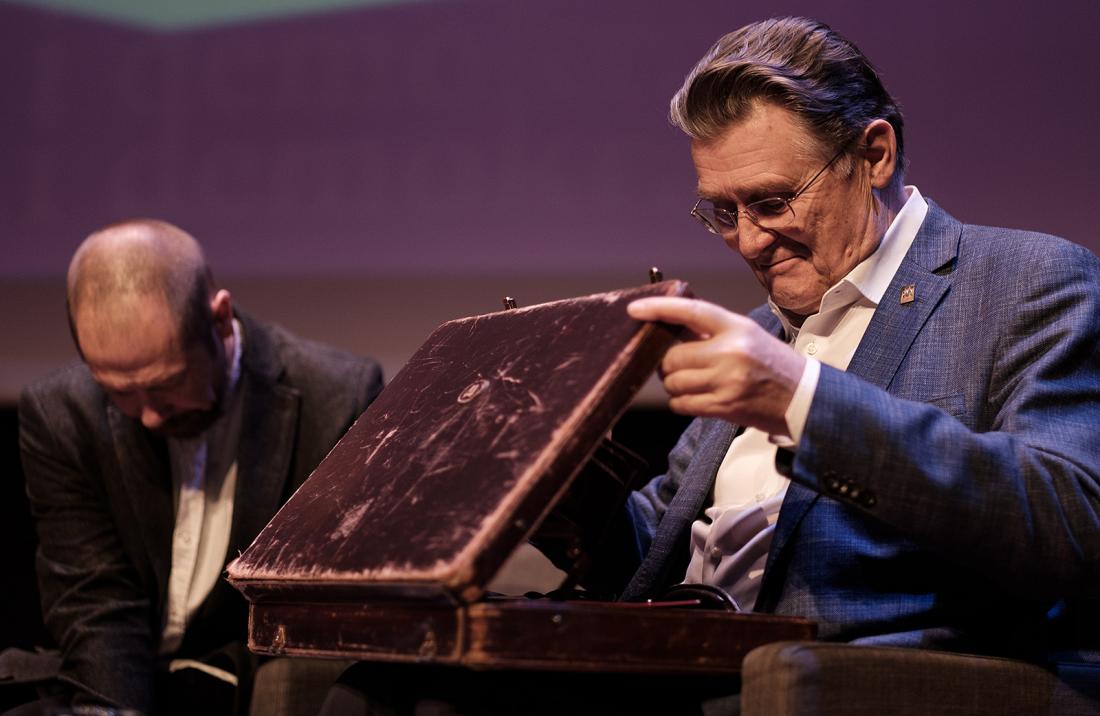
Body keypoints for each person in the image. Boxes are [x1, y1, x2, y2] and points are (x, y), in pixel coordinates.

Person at [319, 15, 1100, 715]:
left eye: (772, 202)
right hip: (679, 663)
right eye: (723, 212)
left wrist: (800, 399)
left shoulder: (1025, 282)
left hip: (843, 678)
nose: (748, 242)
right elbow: (652, 555)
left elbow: (1072, 522)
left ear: (873, 154)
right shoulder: (761, 331)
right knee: (376, 683)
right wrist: (547, 469)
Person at [13, 219, 384, 715]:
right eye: (119, 392)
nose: (148, 415)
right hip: (118, 679)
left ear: (220, 319)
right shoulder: (61, 413)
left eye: (165, 383)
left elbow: (325, 614)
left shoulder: (335, 398)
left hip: (248, 687)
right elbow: (93, 601)